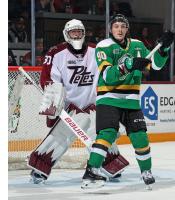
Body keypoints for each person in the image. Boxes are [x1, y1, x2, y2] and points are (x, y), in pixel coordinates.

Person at [28, 19, 129, 184]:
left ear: (84, 33)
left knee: (100, 135)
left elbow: (110, 69)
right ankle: (39, 169)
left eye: (79, 31)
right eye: (72, 32)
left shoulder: (96, 50)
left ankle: (110, 165)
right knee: (60, 137)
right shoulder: (55, 53)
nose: (76, 35)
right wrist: (55, 99)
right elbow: (48, 79)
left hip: (93, 104)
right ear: (66, 34)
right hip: (69, 106)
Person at [81, 14, 174, 189]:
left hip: (131, 100)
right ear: (110, 29)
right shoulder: (104, 46)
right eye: (116, 26)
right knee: (107, 134)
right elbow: (108, 76)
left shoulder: (138, 45)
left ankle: (146, 172)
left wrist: (163, 49)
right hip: (109, 98)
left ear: (127, 29)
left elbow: (156, 65)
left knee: (140, 137)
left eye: (123, 26)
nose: (119, 29)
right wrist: (129, 64)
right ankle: (92, 170)